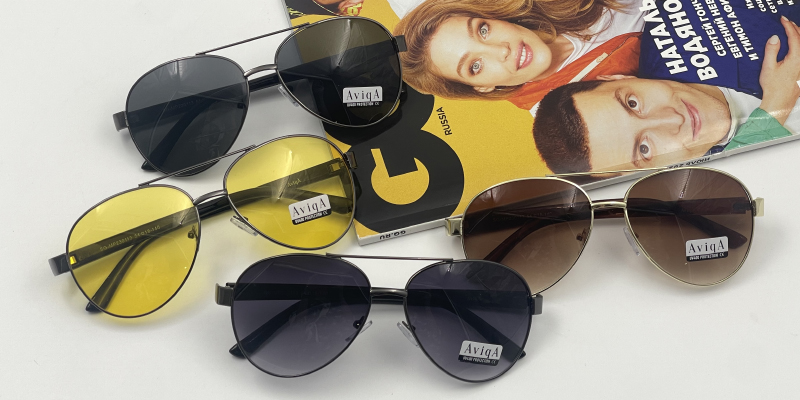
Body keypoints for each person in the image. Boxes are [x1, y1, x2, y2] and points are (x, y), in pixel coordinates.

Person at [532, 17, 800, 174]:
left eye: (633, 103)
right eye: (644, 149)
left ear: (618, 78)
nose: (672, 120)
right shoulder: (719, 190)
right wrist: (775, 106)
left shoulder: (686, 15)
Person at [392, 0, 644, 110]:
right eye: (475, 66)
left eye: (482, 30)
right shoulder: (569, 112)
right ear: (482, 87)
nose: (502, 50)